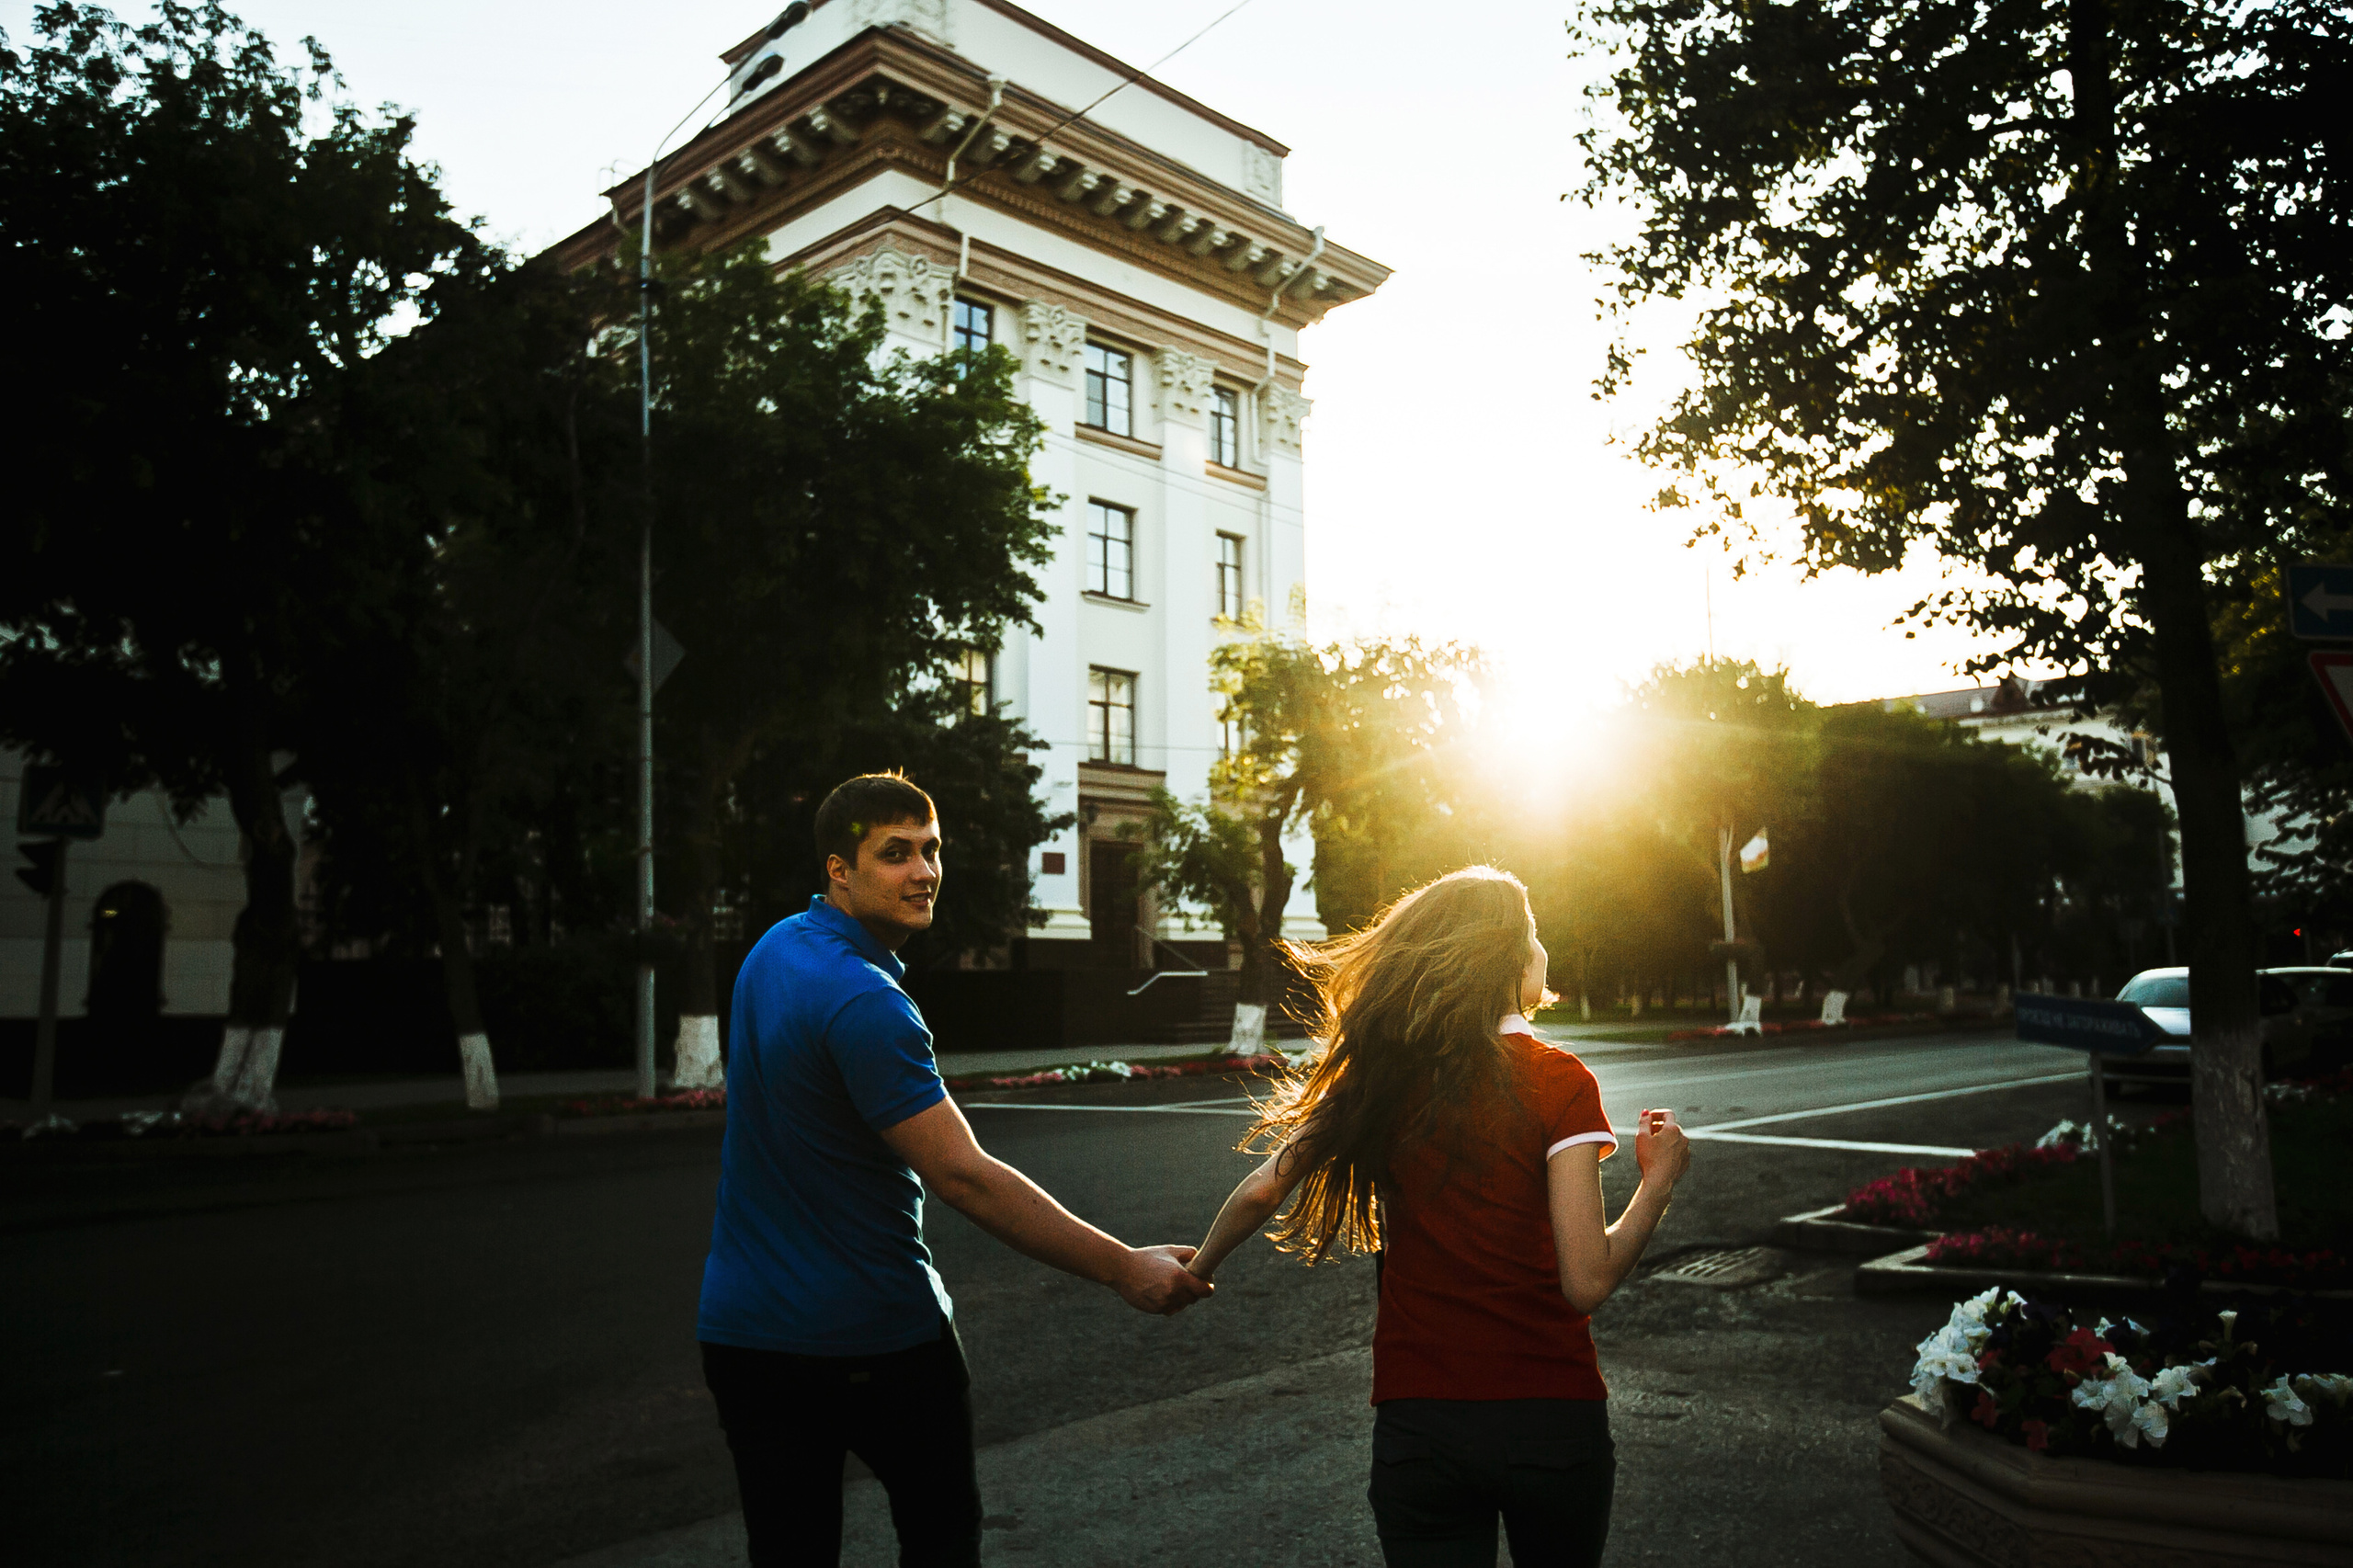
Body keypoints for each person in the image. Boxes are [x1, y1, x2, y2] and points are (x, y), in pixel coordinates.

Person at [697, 772, 1211, 1568]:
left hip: (743, 1335)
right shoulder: (865, 1000)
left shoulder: (774, 951)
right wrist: (1121, 1267)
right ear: (840, 868)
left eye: (932, 851)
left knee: (788, 1552)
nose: (924, 872)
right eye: (895, 854)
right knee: (940, 1542)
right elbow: (963, 1175)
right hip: (876, 1336)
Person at [1186, 866, 1690, 1568]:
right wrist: (1658, 1183)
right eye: (1534, 936)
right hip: (1548, 1419)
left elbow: (1260, 1193)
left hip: (1419, 1425)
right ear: (1511, 962)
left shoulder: (1384, 1078)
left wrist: (1196, 1270)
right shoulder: (1559, 1081)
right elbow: (1586, 1281)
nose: (1542, 950)